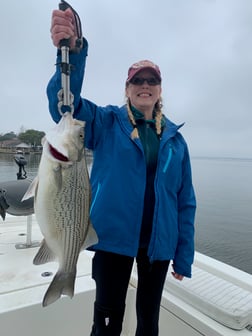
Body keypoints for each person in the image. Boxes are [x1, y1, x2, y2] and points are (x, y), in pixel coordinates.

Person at [48, 7, 196, 336]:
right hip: (111, 239)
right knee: (107, 318)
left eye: (152, 80)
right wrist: (72, 55)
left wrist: (183, 255)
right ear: (127, 88)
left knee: (148, 320)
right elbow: (64, 105)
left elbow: (185, 201)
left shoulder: (176, 141)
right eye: (137, 80)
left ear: (160, 89)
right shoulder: (105, 122)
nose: (145, 85)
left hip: (158, 246)